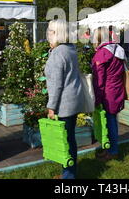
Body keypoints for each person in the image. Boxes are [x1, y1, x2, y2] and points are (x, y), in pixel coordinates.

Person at [45, 19, 84, 179]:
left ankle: (68, 176)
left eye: (50, 31)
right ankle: (69, 172)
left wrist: (51, 106)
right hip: (73, 100)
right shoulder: (70, 49)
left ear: (56, 33)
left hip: (64, 104)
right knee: (70, 139)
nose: (47, 34)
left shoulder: (58, 53)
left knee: (65, 141)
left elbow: (56, 84)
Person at [91, 26, 126, 162]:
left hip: (108, 91)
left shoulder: (102, 53)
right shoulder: (117, 48)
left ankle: (112, 151)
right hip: (117, 88)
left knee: (110, 122)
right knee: (112, 120)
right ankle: (110, 148)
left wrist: (97, 98)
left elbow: (99, 80)